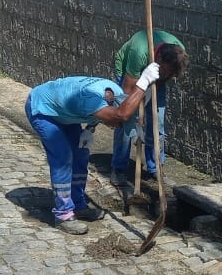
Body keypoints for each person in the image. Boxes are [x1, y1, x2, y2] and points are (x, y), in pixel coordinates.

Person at [26, 67, 161, 235]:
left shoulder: (115, 94)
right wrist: (144, 82)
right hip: (42, 109)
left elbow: (111, 113)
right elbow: (111, 114)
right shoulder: (92, 101)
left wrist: (89, 129)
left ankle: (78, 204)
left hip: (65, 112)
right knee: (63, 157)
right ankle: (63, 214)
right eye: (117, 125)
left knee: (81, 154)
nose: (114, 128)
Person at [111, 29, 188, 186]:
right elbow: (128, 90)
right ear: (158, 58)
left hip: (155, 78)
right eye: (166, 71)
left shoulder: (179, 53)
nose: (169, 74)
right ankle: (118, 169)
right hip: (130, 73)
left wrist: (157, 82)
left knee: (157, 122)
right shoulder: (139, 52)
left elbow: (165, 77)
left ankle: (156, 168)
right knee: (126, 122)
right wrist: (136, 110)